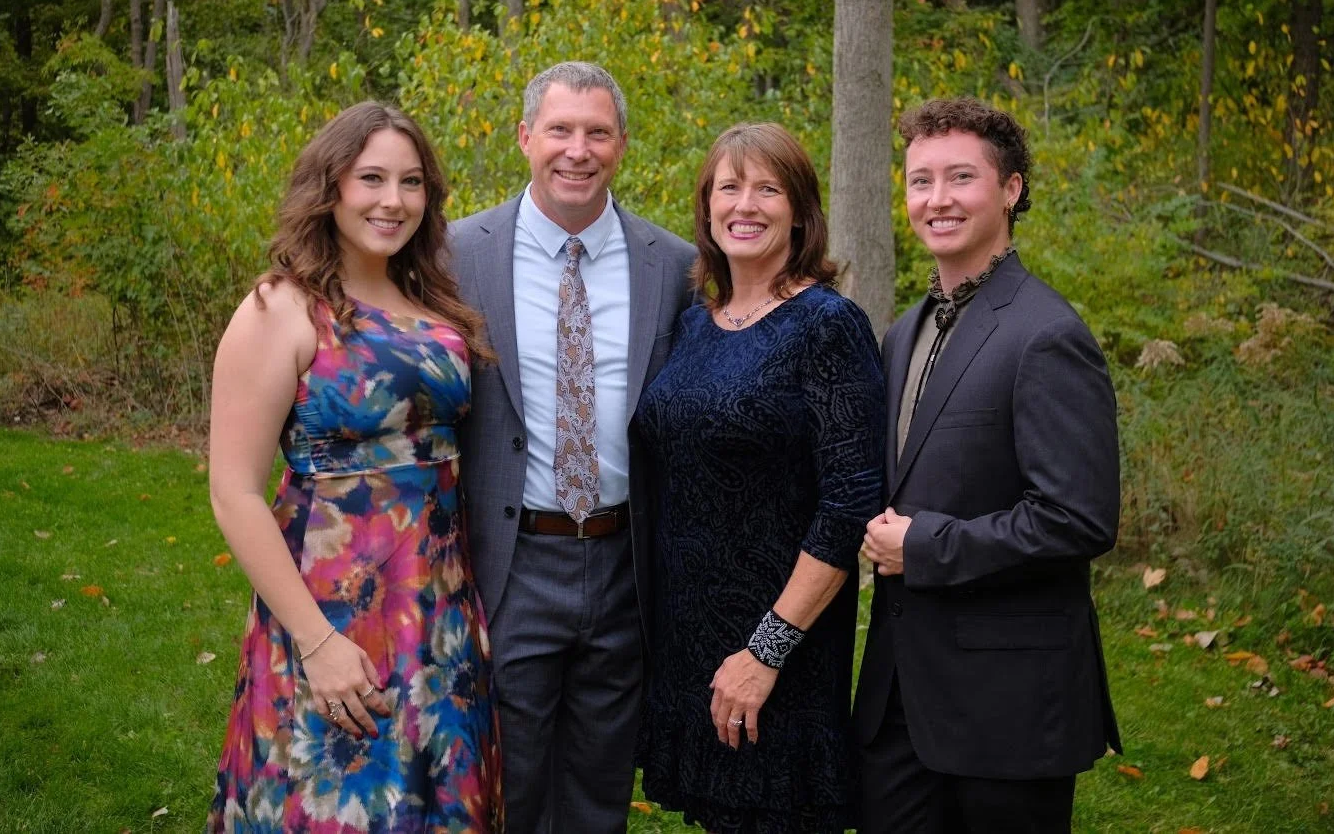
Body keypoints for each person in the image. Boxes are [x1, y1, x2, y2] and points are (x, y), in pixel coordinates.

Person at [206, 102, 502, 833]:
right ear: (330, 186)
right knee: (334, 807)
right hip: (331, 616)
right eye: (371, 177)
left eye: (410, 182)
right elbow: (234, 492)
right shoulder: (281, 307)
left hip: (439, 618)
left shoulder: (435, 306)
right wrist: (318, 642)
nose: (392, 200)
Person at [852, 97, 1122, 834]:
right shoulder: (903, 332)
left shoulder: (1047, 334)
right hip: (899, 703)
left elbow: (1078, 517)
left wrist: (925, 544)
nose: (937, 199)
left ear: (1011, 189)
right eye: (920, 181)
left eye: (960, 177)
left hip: (1007, 706)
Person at [448, 61, 695, 833]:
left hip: (624, 562)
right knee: (510, 783)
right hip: (513, 555)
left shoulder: (676, 265)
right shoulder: (457, 255)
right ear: (525, 137)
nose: (577, 150)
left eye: (597, 132)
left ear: (621, 145)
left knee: (599, 787)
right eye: (560, 129)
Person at [633, 122, 885, 834]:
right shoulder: (694, 322)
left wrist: (766, 649)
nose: (745, 204)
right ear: (707, 207)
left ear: (800, 211)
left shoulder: (827, 325)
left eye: (767, 188)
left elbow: (849, 502)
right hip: (692, 646)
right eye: (729, 186)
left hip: (778, 648)